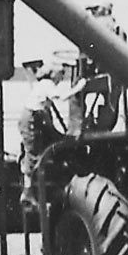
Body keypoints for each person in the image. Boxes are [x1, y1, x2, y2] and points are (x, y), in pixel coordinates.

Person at [19, 61, 86, 207]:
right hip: (32, 119)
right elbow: (60, 97)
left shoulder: (44, 84)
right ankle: (27, 192)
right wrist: (78, 87)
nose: (61, 77)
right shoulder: (47, 84)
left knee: (56, 141)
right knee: (33, 154)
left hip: (38, 116)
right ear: (53, 73)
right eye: (61, 73)